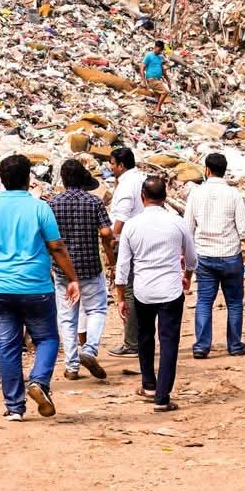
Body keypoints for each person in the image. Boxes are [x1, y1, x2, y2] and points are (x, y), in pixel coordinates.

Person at [0, 154, 83, 421]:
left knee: (8, 345)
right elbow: (56, 246)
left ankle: (14, 408)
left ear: (2, 180)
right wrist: (72, 277)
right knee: (48, 338)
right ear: (28, 179)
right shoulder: (40, 208)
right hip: (35, 286)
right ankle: (39, 381)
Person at [113, 175, 197, 412]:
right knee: (169, 341)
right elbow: (191, 258)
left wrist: (120, 297)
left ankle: (149, 384)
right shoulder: (177, 222)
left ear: (142, 197)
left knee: (145, 337)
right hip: (170, 290)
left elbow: (123, 266)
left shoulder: (132, 225)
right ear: (166, 197)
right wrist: (187, 278)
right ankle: (162, 396)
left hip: (143, 290)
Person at [183, 151, 245, 358]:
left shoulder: (195, 194)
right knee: (234, 303)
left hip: (204, 256)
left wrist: (186, 261)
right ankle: (234, 345)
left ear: (207, 170)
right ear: (224, 172)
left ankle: (201, 346)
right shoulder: (233, 194)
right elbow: (243, 228)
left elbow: (188, 229)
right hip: (230, 255)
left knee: (204, 301)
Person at [48, 159, 112, 381]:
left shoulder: (53, 204)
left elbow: (48, 240)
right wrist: (111, 255)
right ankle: (89, 350)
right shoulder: (94, 202)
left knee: (67, 318)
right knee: (96, 310)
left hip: (63, 270)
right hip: (91, 266)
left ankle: (72, 366)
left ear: (63, 180)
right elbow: (105, 233)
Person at [106, 145, 145, 357]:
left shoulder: (126, 184)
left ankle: (131, 344)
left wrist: (112, 239)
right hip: (143, 237)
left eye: (112, 163)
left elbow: (121, 215)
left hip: (128, 240)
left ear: (121, 165)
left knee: (128, 290)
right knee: (140, 289)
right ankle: (142, 339)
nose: (110, 167)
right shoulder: (139, 178)